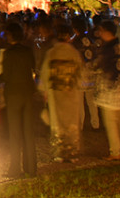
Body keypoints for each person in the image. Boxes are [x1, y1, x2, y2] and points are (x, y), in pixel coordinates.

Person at [0, 23, 37, 177]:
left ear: (10, 36)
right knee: (28, 131)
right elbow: (33, 68)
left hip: (13, 94)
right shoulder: (27, 51)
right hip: (27, 92)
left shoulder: (8, 53)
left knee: (15, 132)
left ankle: (15, 168)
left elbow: (4, 76)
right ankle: (31, 167)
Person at [40, 22, 83, 162]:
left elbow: (45, 74)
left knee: (57, 122)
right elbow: (80, 73)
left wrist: (43, 90)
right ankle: (72, 151)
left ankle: (59, 151)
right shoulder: (74, 52)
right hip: (71, 90)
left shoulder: (51, 53)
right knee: (71, 121)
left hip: (55, 91)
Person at [93, 20, 120, 160]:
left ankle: (115, 151)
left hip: (111, 90)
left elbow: (105, 69)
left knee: (111, 122)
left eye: (100, 30)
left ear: (105, 31)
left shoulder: (106, 49)